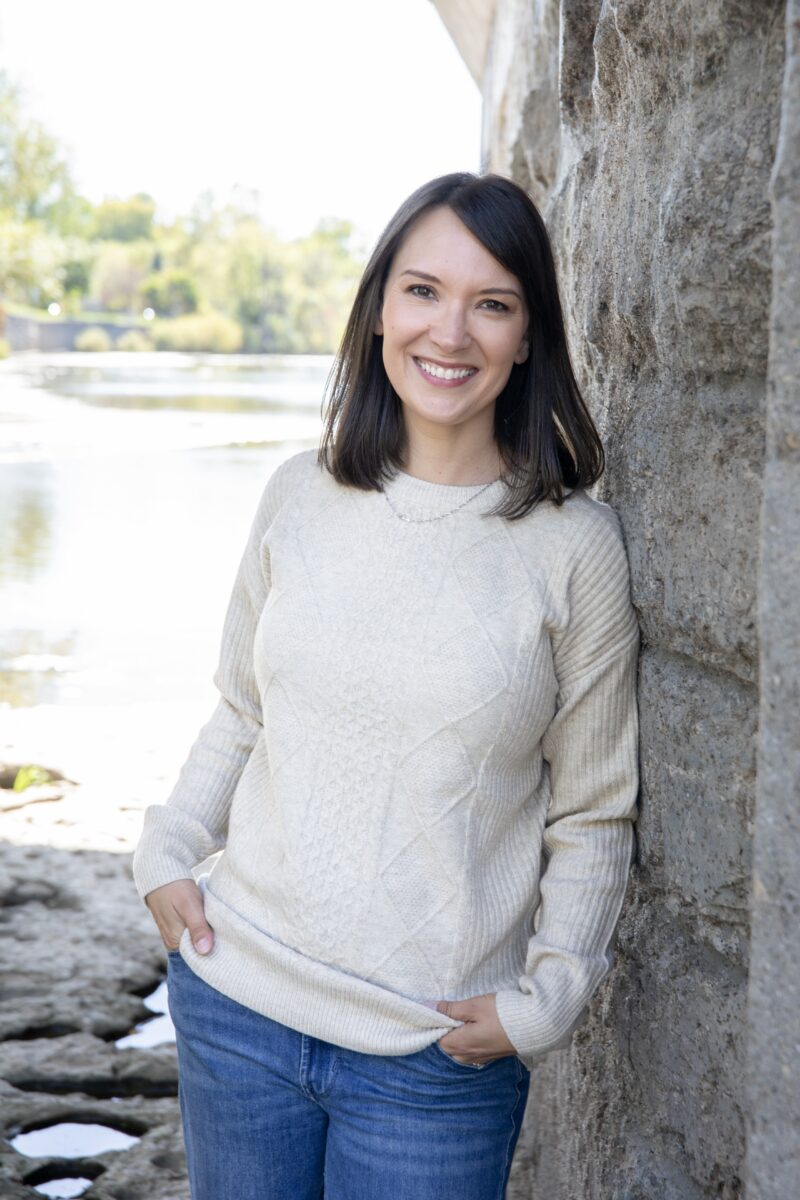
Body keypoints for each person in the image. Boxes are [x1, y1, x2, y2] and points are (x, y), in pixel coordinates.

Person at [133, 171, 641, 1200]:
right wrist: (167, 847)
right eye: (421, 292)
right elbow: (242, 709)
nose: (448, 332)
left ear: (528, 336)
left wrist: (547, 998)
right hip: (238, 1005)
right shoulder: (299, 493)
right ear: (376, 313)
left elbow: (592, 811)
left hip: (431, 1060)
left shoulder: (571, 548)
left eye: (490, 303)